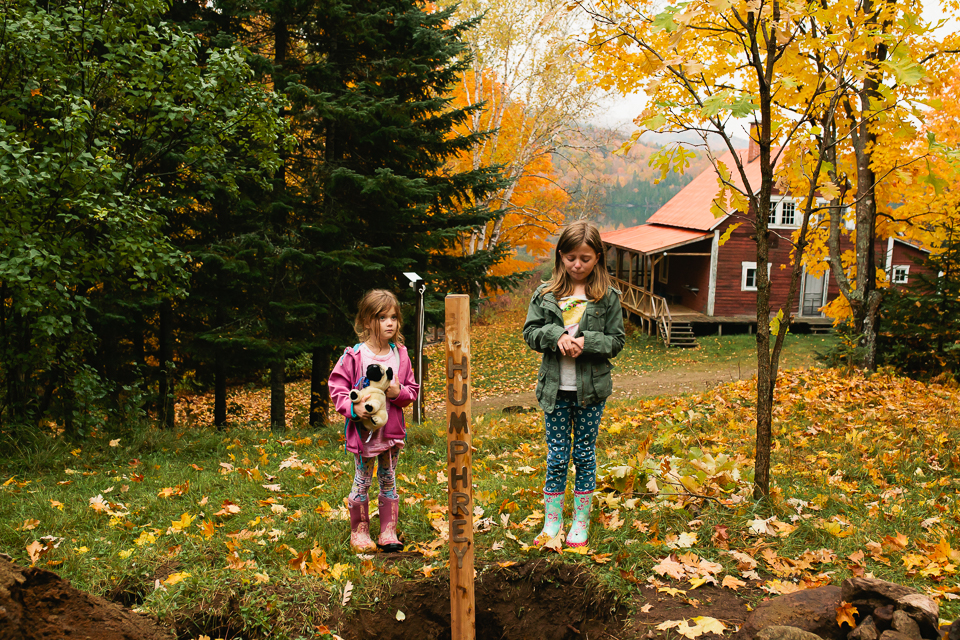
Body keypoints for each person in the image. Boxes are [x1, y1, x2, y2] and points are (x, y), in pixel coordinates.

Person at [523, 220, 625, 548]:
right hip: (554, 389)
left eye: (584, 258)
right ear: (560, 257)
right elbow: (531, 333)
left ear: (597, 257)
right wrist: (555, 337)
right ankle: (552, 521)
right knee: (556, 455)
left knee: (583, 453)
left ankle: (580, 521)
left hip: (591, 392)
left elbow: (616, 341)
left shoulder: (607, 297)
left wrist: (587, 341)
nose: (577, 265)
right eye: (570, 258)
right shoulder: (545, 294)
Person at [329, 289, 420, 553]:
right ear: (368, 321)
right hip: (364, 435)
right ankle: (360, 531)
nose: (390, 323)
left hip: (391, 434)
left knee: (389, 478)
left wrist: (398, 392)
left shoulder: (400, 355)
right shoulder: (354, 356)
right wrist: (355, 409)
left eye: (393, 317)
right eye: (382, 318)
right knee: (363, 480)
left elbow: (412, 391)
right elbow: (338, 389)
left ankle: (388, 531)